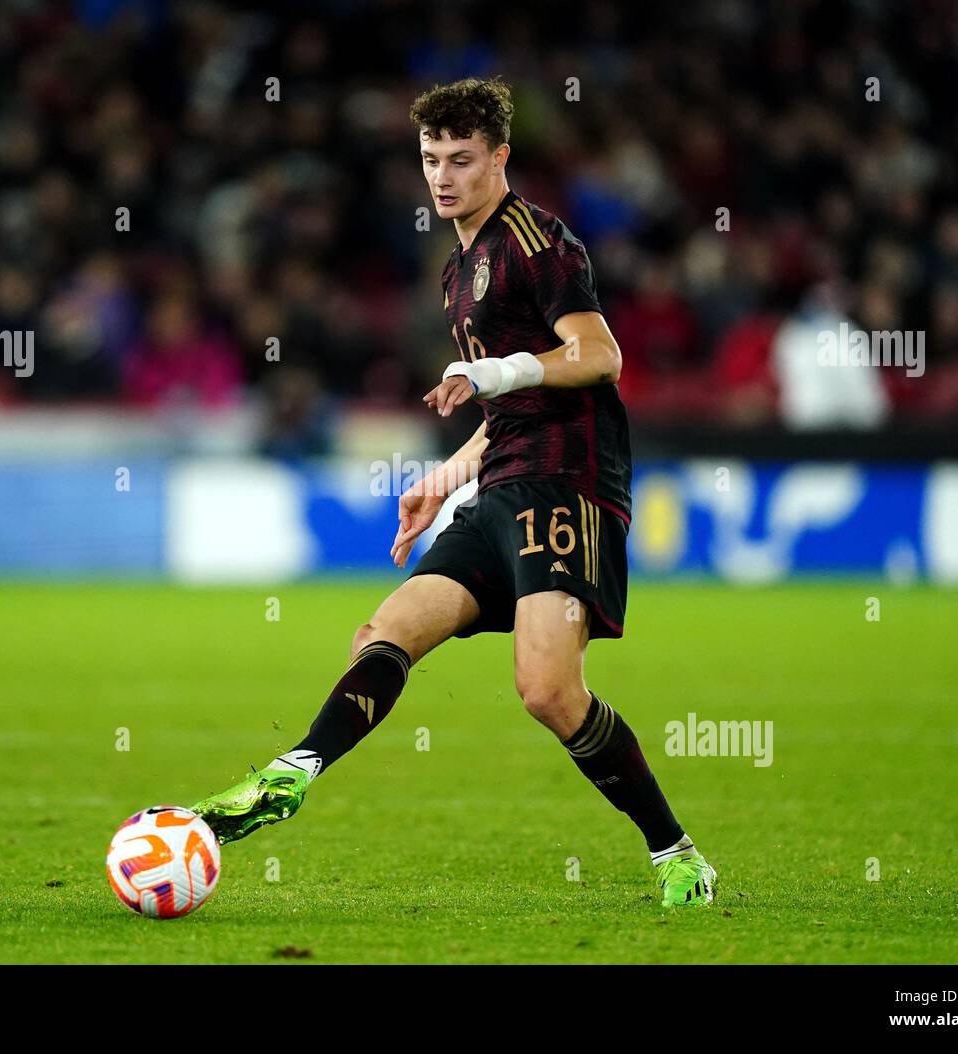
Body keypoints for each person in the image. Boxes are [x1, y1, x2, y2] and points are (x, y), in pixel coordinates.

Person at [192, 76, 716, 908]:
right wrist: (444, 478)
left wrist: (495, 371)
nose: (443, 176)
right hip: (502, 480)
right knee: (386, 629)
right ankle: (292, 773)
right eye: (432, 159)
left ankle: (675, 850)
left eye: (462, 160)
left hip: (566, 485)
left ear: (500, 157)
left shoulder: (539, 242)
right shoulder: (456, 270)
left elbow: (599, 353)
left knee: (547, 692)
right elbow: (507, 406)